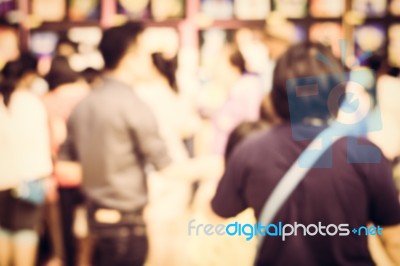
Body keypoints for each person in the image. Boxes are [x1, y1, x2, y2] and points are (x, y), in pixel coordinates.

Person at [211, 42, 400, 265]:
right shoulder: (366, 155)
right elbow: (393, 239)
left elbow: (221, 212)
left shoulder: (249, 151)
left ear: (277, 93)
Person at [58, 22, 220, 266]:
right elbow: (166, 166)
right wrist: (214, 165)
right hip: (127, 226)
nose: (149, 61)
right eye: (144, 53)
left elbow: (66, 165)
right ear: (129, 57)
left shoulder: (83, 106)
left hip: (95, 221)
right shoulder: (134, 105)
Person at [0, 54, 53, 266]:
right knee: (25, 235)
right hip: (28, 182)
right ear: (29, 75)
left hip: (2, 181)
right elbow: (40, 146)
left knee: (2, 233)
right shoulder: (31, 103)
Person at [42, 56, 90, 266]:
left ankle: (69, 260)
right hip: (90, 171)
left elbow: (53, 140)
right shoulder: (86, 95)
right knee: (88, 226)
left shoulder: (47, 101)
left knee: (66, 227)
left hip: (62, 174)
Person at [211, 45, 264, 155]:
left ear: (234, 66)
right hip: (223, 155)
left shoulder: (249, 86)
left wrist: (230, 125)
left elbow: (253, 123)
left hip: (239, 153)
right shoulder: (224, 89)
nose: (215, 69)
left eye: (220, 64)